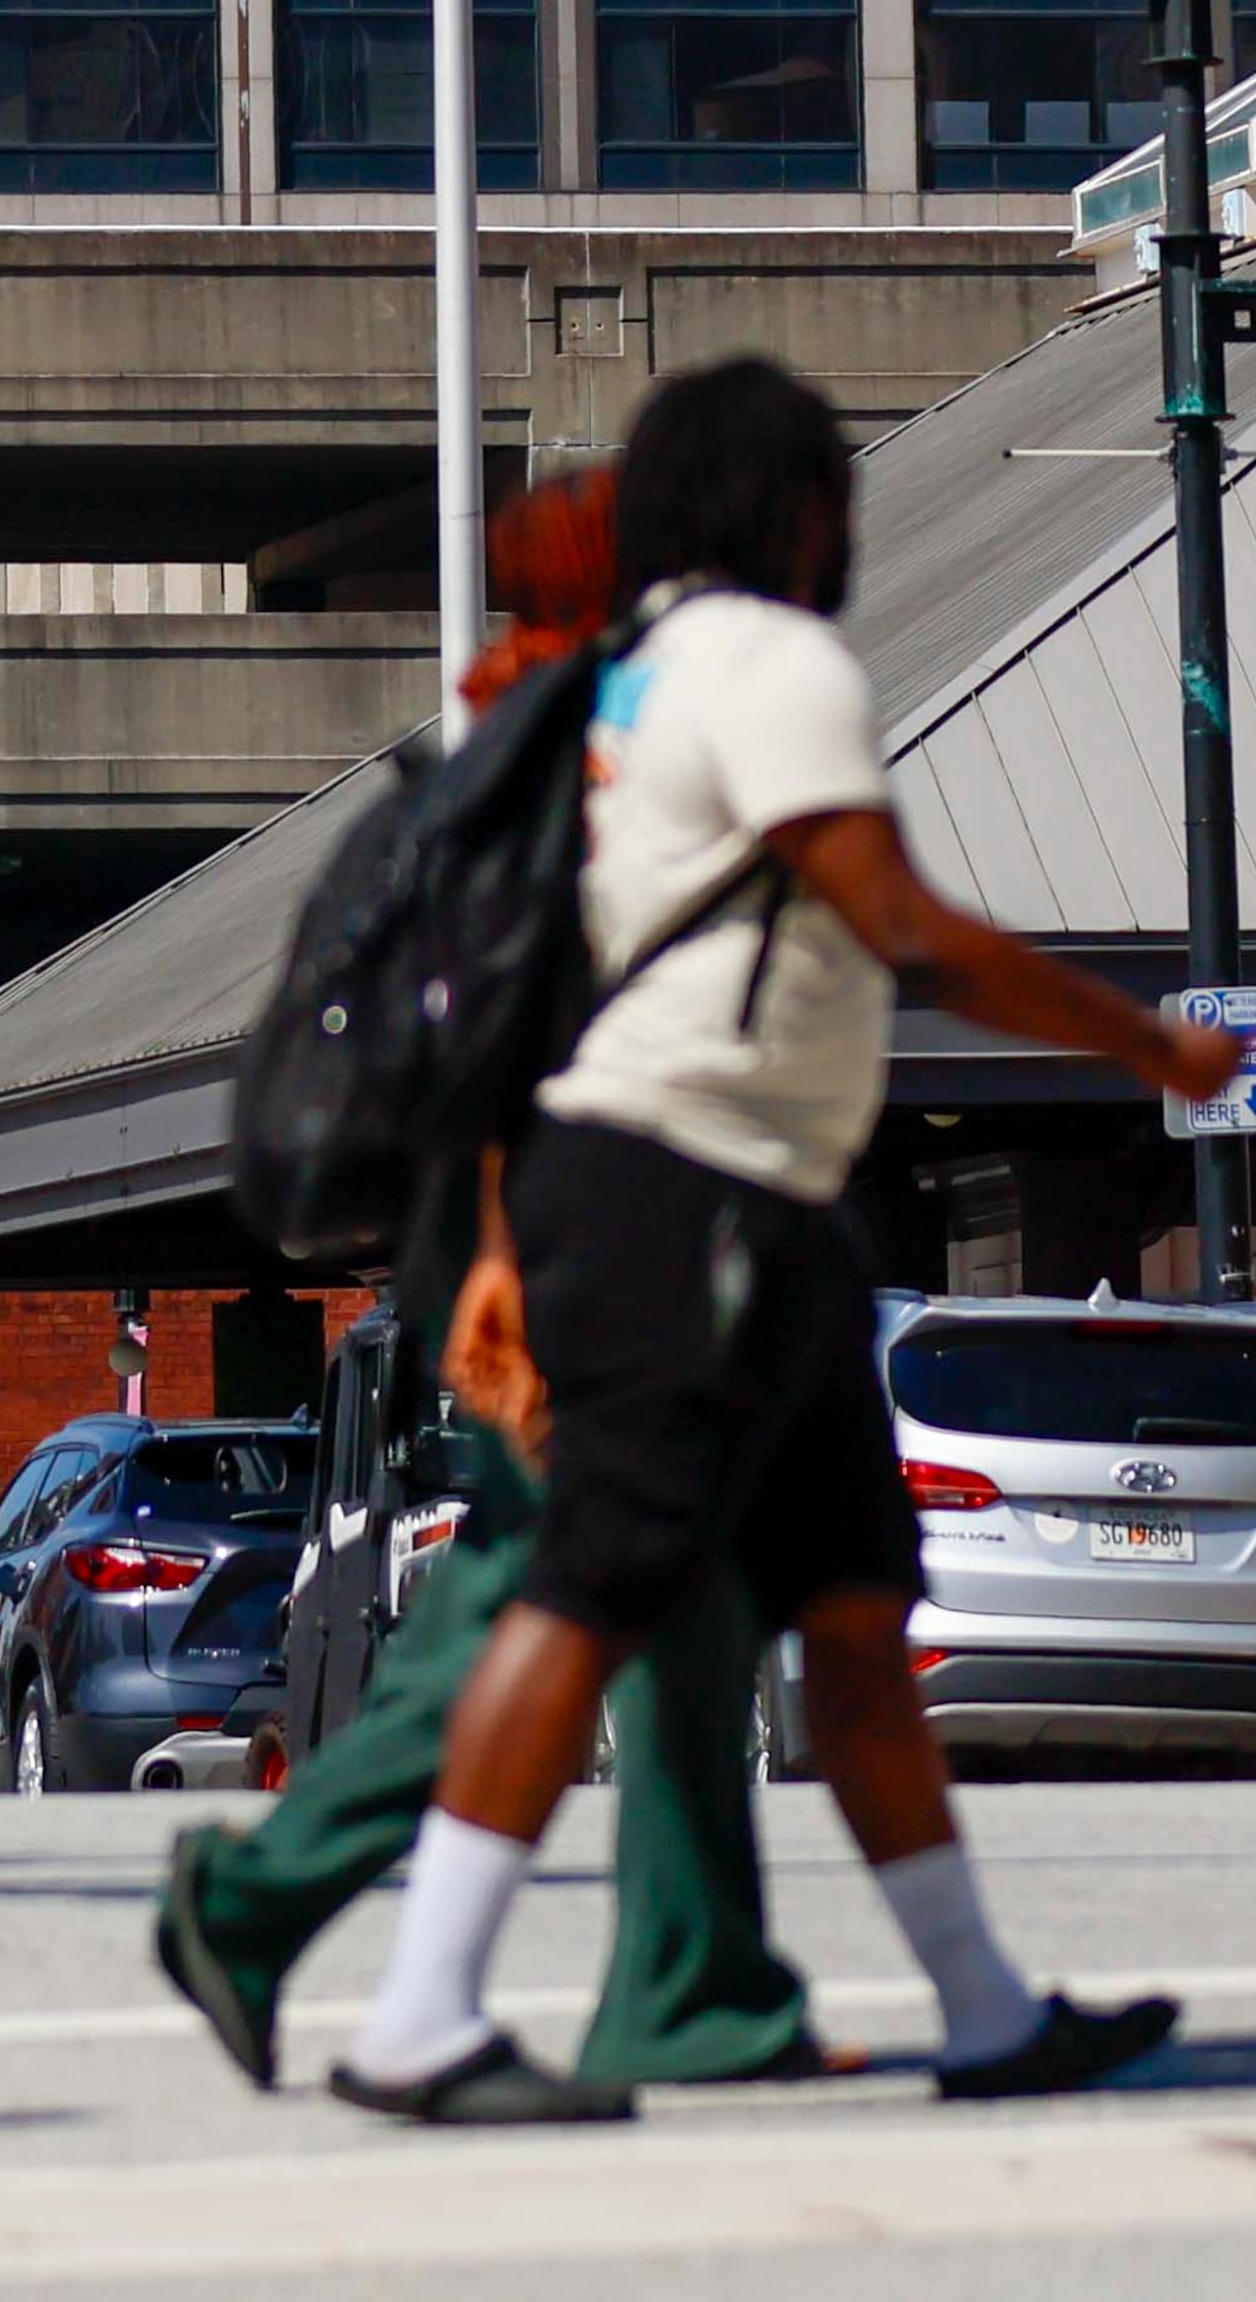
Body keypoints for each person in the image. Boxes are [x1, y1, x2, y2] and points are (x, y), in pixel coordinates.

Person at [326, 356, 1241, 2126]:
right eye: (835, 490)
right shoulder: (772, 663)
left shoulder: (638, 676)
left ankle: (985, 2014)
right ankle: (420, 2016)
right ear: (796, 507)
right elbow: (891, 918)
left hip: (753, 1196)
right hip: (691, 1190)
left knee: (851, 1608)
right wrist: (1148, 1041)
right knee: (595, 1587)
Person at [158, 464, 831, 2098]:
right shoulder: (580, 744)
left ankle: (689, 1984)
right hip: (552, 1238)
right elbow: (531, 1033)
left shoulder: (523, 728)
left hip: (539, 1230)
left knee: (639, 1596)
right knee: (581, 1588)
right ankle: (273, 1910)